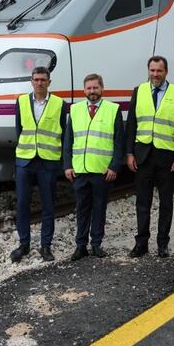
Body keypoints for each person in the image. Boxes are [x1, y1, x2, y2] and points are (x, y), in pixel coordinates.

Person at [125, 55, 174, 258]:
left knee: (166, 202)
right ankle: (141, 243)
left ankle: (163, 243)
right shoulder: (139, 91)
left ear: (166, 72)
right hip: (143, 156)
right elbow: (132, 125)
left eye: (159, 71)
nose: (155, 74)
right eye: (152, 70)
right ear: (148, 71)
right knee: (142, 202)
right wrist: (129, 153)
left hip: (167, 158)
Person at [63, 73, 124, 260]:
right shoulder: (75, 110)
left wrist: (114, 167)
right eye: (89, 88)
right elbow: (68, 141)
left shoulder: (113, 110)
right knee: (81, 209)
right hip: (80, 171)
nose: (92, 91)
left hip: (102, 171)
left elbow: (119, 142)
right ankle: (80, 245)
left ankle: (96, 244)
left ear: (102, 89)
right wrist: (67, 165)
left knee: (99, 208)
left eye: (95, 88)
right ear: (84, 90)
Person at [11, 66, 66, 263]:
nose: (39, 83)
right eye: (36, 79)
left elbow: (64, 133)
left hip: (48, 161)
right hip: (25, 161)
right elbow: (19, 130)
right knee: (23, 203)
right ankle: (24, 244)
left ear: (49, 82)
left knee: (48, 205)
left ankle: (45, 246)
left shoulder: (60, 104)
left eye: (43, 80)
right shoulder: (22, 101)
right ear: (32, 81)